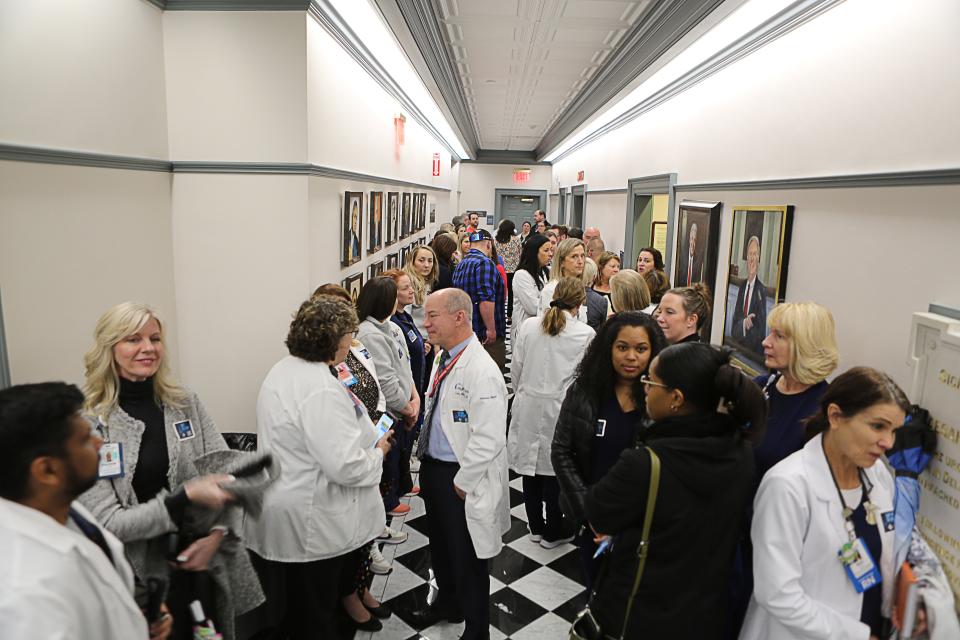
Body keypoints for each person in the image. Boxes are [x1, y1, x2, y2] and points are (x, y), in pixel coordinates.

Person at [79, 302, 261, 640]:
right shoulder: (90, 424)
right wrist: (185, 498)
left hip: (196, 566)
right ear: (109, 348)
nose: (148, 348)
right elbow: (108, 524)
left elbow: (226, 474)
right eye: (133, 339)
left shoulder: (183, 403)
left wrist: (217, 535)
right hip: (135, 580)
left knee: (206, 634)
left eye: (155, 338)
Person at [585, 343, 766, 639]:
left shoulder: (645, 463)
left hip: (642, 613)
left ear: (676, 399)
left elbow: (596, 512)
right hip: (706, 615)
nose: (644, 387)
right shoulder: (741, 452)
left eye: (651, 381)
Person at [244, 297, 393, 637]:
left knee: (299, 608)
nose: (351, 341)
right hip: (311, 520)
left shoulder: (284, 369)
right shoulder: (320, 388)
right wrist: (379, 452)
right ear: (333, 339)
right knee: (315, 616)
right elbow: (347, 466)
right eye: (349, 334)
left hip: (292, 507)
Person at [740, 367, 911, 640]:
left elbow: (888, 553)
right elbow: (777, 593)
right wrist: (856, 636)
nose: (888, 442)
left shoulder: (878, 475)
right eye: (878, 426)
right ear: (835, 416)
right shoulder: (788, 486)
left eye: (894, 431)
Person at [0, 382, 169, 640]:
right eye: (84, 439)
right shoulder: (27, 593)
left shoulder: (65, 510)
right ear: (47, 470)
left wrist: (133, 612)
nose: (99, 443)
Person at [408, 289, 511, 639]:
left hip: (460, 477)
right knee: (441, 547)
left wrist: (462, 482)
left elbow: (490, 436)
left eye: (432, 315)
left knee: (468, 559)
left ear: (459, 317)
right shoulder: (444, 357)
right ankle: (448, 605)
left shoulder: (481, 370)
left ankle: (476, 629)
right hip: (436, 470)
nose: (426, 323)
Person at [552, 312, 667, 588]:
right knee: (596, 593)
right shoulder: (584, 392)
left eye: (641, 349)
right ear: (608, 349)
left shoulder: (662, 400)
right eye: (622, 347)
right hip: (592, 521)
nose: (631, 357)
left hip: (642, 526)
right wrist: (591, 513)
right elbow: (561, 451)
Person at [312, 284, 407, 575]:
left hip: (376, 422)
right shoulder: (324, 357)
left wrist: (381, 420)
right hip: (354, 435)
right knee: (360, 499)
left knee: (379, 485)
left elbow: (374, 379)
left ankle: (376, 531)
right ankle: (368, 554)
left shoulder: (355, 343)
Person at [509, 278, 595, 547]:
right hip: (560, 408)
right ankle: (552, 529)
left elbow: (517, 367)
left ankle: (534, 526)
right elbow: (585, 378)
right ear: (581, 303)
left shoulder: (530, 326)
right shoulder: (585, 333)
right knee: (554, 468)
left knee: (530, 469)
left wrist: (521, 391)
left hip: (530, 403)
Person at [356, 277, 420, 516]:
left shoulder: (391, 327)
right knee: (387, 459)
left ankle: (402, 486)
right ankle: (388, 503)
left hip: (403, 406)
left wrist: (414, 398)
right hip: (389, 412)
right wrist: (408, 408)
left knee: (401, 453)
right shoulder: (370, 335)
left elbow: (404, 366)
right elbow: (386, 381)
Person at [386, 269, 428, 498]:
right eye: (405, 288)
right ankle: (393, 494)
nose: (412, 290)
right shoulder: (390, 325)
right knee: (395, 446)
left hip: (412, 390)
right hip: (399, 400)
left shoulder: (404, 317)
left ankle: (403, 483)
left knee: (404, 442)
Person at [452, 229, 507, 371]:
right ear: (489, 245)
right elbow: (485, 299)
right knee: (491, 377)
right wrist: (491, 329)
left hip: (467, 333)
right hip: (484, 336)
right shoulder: (485, 264)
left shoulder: (461, 264)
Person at [511, 234, 553, 347]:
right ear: (534, 252)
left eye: (551, 250)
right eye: (546, 250)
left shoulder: (546, 272)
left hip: (542, 329)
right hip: (525, 330)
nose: (550, 254)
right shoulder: (522, 275)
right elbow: (533, 308)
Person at [730, 236, 767, 356]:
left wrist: (742, 331)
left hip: (752, 353)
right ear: (747, 257)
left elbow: (760, 333)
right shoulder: (742, 288)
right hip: (737, 349)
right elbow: (734, 326)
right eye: (750, 254)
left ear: (759, 258)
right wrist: (744, 323)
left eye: (755, 254)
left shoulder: (761, 290)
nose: (752, 258)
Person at [538, 238, 587, 322]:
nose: (580, 261)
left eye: (582, 256)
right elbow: (550, 326)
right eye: (574, 256)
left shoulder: (579, 288)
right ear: (562, 262)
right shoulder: (551, 290)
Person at [494, 219, 522, 319]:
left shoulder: (496, 240)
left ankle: (498, 314)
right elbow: (520, 254)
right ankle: (510, 315)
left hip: (499, 269)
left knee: (499, 292)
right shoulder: (516, 240)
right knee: (511, 294)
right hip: (512, 270)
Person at [676, 222, 704, 287]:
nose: (692, 243)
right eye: (691, 238)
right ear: (688, 239)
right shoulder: (681, 256)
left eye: (695, 239)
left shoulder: (700, 259)